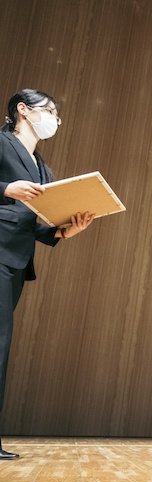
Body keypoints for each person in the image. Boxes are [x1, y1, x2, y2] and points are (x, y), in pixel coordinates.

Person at [1, 89, 94, 460]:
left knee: (1, 349)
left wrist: (60, 232)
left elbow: (31, 223)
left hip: (15, 259)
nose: (54, 119)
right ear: (22, 110)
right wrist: (6, 187)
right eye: (49, 111)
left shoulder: (41, 166)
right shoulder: (2, 143)